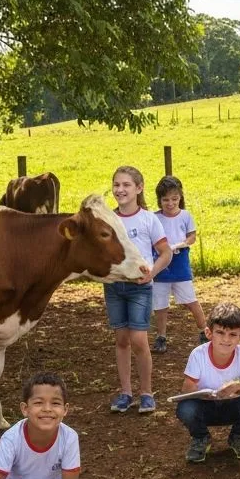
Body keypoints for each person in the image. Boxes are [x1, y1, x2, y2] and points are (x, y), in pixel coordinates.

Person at [105, 166, 172, 413]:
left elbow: (165, 253)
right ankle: (125, 393)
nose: (120, 190)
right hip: (114, 287)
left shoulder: (148, 219)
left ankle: (146, 393)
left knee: (139, 340)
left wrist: (151, 274)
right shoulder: (108, 219)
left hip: (140, 288)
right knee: (121, 339)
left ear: (139, 188)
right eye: (116, 185)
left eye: (126, 185)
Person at [175, 301, 240, 462]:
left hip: (233, 406)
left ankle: (238, 437)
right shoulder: (198, 355)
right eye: (220, 333)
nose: (226, 340)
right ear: (209, 333)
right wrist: (204, 395)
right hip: (204, 407)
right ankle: (201, 438)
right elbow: (187, 388)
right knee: (185, 408)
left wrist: (238, 386)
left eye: (232, 334)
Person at [151, 175, 208, 353]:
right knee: (160, 304)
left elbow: (192, 236)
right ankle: (161, 336)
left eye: (174, 199)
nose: (170, 203)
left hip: (179, 261)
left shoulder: (185, 216)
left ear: (180, 198)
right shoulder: (154, 218)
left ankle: (204, 331)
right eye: (166, 199)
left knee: (190, 301)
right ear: (160, 200)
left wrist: (181, 244)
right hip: (160, 263)